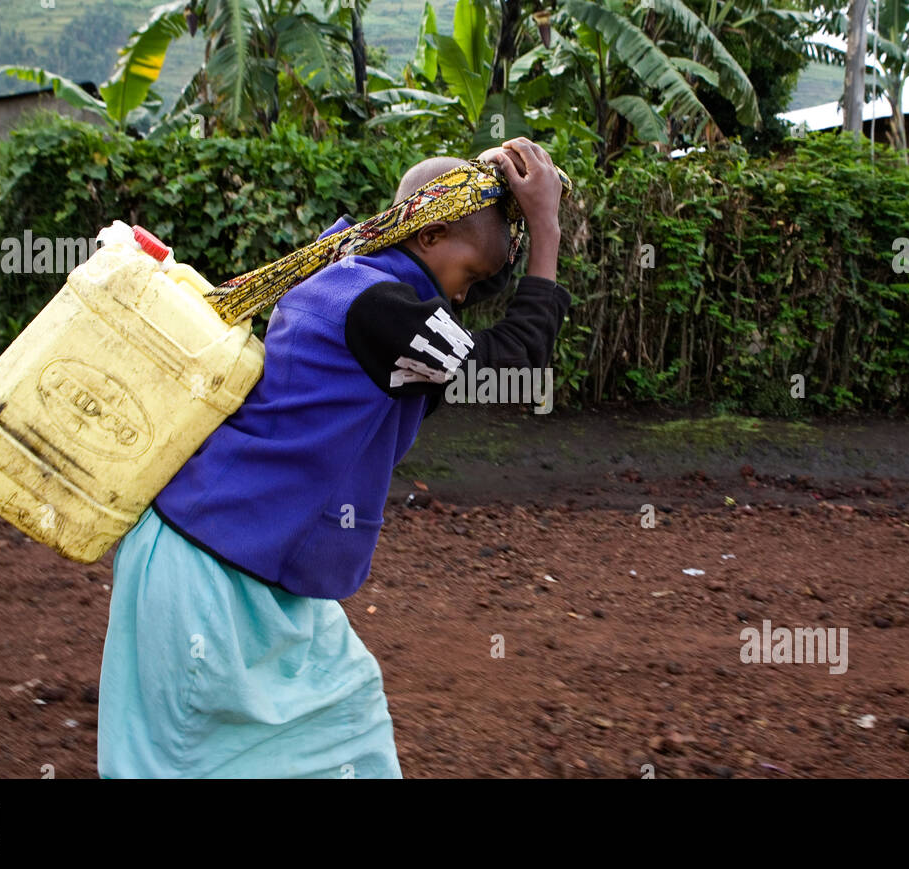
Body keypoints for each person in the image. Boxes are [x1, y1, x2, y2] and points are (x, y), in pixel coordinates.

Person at [97, 137, 571, 778]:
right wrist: (545, 227)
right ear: (428, 238)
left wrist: (491, 197)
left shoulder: (353, 276)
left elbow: (471, 311)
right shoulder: (378, 308)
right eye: (467, 280)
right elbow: (515, 360)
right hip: (208, 570)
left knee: (349, 733)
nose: (462, 300)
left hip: (256, 568)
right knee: (184, 764)